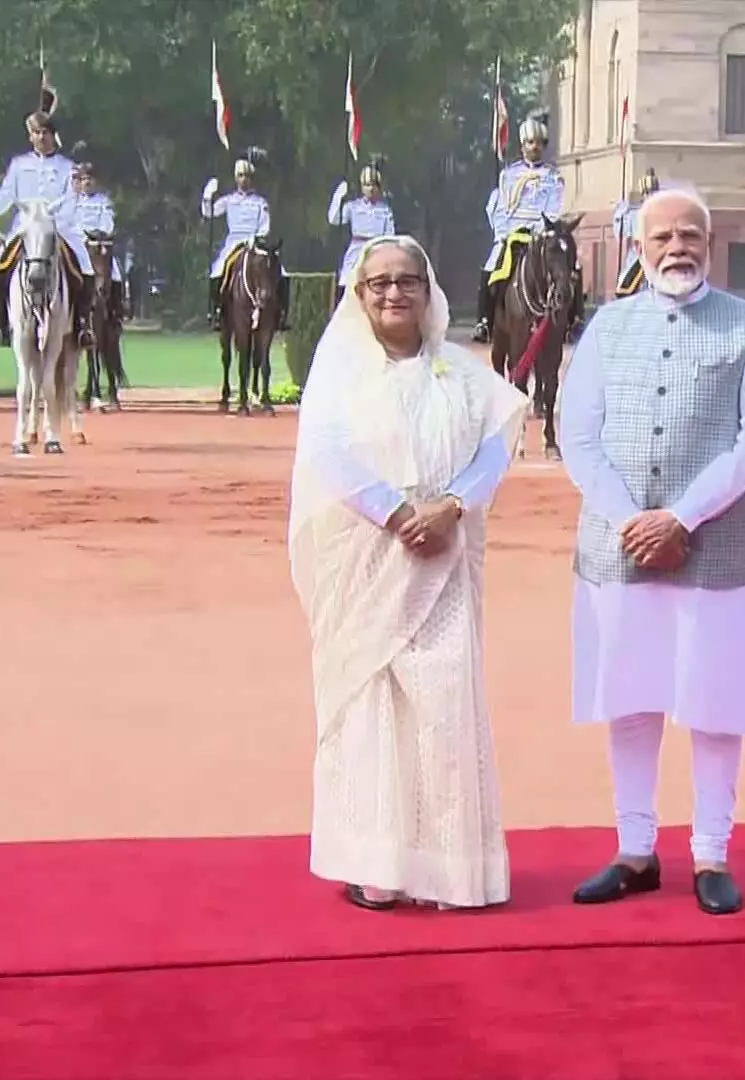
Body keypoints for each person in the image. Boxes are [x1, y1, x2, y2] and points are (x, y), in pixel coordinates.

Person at [556, 184, 745, 918]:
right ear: (638, 249)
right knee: (630, 698)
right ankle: (634, 851)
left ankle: (712, 855)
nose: (676, 248)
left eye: (690, 236)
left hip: (715, 549)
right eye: (662, 238)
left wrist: (680, 520)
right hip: (618, 547)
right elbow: (579, 437)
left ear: (709, 248)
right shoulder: (606, 328)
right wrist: (635, 521)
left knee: (715, 705)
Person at [288, 234, 528, 912]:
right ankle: (377, 866)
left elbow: (498, 442)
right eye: (379, 284)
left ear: (429, 291)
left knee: (444, 703)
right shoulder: (338, 374)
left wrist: (450, 508)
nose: (394, 293)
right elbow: (327, 456)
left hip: (442, 561)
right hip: (369, 562)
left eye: (407, 281)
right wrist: (398, 515)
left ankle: (452, 871)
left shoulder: (460, 371)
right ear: (359, 296)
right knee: (370, 705)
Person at [0, 109, 95, 347]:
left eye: (45, 132)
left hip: (57, 226)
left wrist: (51, 217)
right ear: (30, 136)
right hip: (25, 227)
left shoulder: (67, 167)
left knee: (85, 267)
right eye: (36, 133)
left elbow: (71, 199)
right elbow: (5, 198)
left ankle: (82, 324)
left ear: (52, 135)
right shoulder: (19, 165)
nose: (41, 137)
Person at [474, 112, 565, 342]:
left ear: (543, 145)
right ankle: (485, 320)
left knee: (568, 264)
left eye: (538, 143)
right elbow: (502, 208)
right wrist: (504, 233)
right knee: (492, 266)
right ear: (522, 145)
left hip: (541, 231)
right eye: (529, 143)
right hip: (513, 232)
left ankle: (572, 319)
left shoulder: (552, 176)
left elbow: (555, 207)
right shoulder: (509, 174)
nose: (533, 147)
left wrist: (542, 230)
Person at [202, 148, 290, 332]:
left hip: (254, 242)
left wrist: (256, 239)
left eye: (247, 176)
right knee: (217, 271)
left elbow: (265, 225)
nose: (244, 179)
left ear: (252, 178)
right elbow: (208, 212)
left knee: (282, 272)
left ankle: (282, 314)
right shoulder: (228, 200)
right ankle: (216, 312)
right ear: (236, 178)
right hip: (234, 242)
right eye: (240, 175)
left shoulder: (260, 202)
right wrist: (207, 196)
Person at [327, 160, 397, 308]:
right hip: (356, 250)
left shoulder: (385, 210)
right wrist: (338, 196)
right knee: (345, 281)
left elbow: (390, 236)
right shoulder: (353, 207)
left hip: (377, 249)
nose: (370, 189)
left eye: (374, 185)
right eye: (367, 185)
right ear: (362, 187)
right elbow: (334, 219)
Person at [68, 154, 125, 326]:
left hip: (97, 244)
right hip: (77, 246)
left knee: (115, 272)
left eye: (90, 179)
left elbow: (108, 222)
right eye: (83, 179)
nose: (86, 182)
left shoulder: (103, 201)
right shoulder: (70, 202)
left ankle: (116, 313)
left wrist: (99, 233)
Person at [611, 167, 662, 299]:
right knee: (626, 287)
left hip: (659, 257)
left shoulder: (664, 213)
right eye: (648, 193)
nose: (650, 196)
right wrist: (619, 216)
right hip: (637, 258)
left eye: (653, 193)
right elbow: (620, 234)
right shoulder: (634, 213)